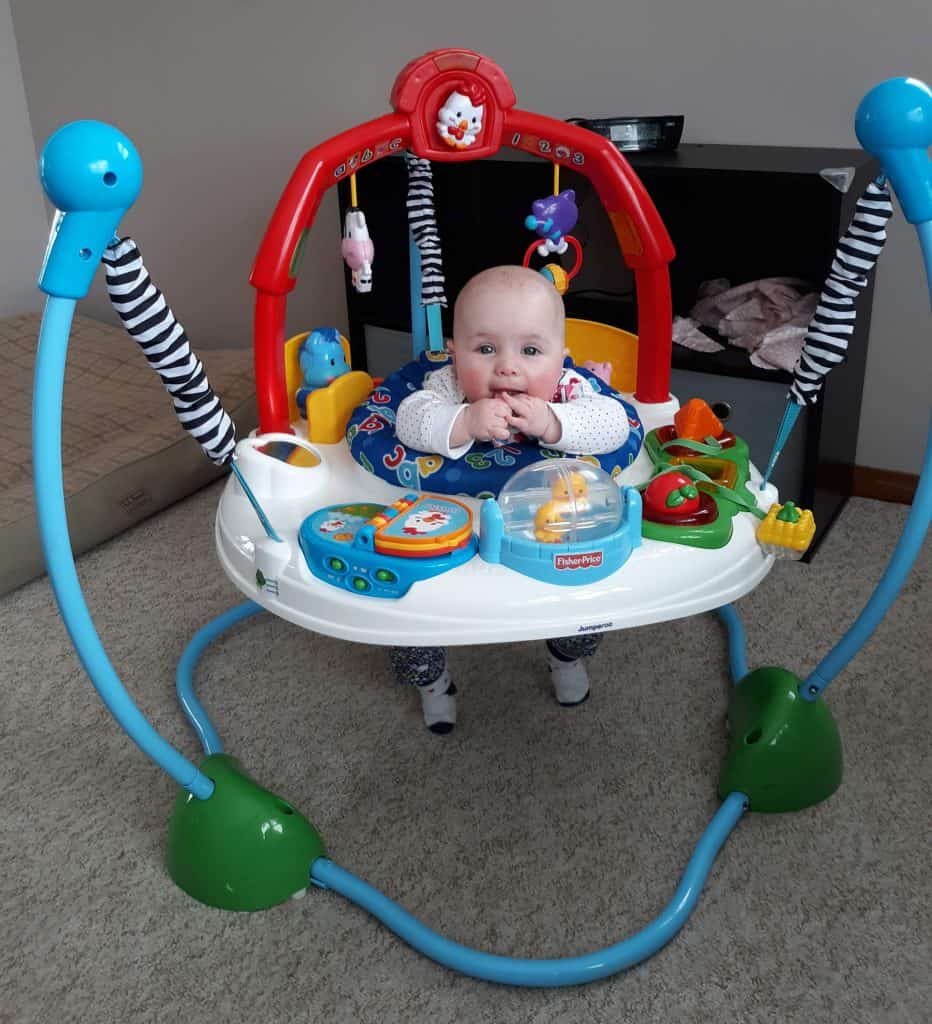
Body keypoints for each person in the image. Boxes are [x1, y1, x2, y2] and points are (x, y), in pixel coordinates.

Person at [393, 265, 631, 734]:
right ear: (455, 353)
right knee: (405, 611)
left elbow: (615, 424)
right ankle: (432, 682)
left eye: (530, 350)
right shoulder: (449, 384)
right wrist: (462, 423)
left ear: (562, 360)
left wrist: (554, 422)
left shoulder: (568, 388)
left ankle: (565, 656)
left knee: (589, 603)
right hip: (453, 526)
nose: (507, 365)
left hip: (549, 523)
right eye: (484, 349)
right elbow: (409, 421)